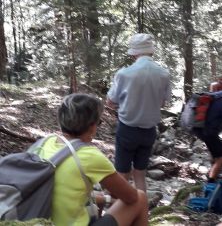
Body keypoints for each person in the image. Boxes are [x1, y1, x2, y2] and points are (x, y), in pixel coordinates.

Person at [38, 94, 148, 226]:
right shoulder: (89, 155)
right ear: (91, 126)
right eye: (99, 122)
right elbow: (131, 197)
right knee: (140, 197)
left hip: (38, 221)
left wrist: (107, 200)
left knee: (95, 191)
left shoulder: (45, 143)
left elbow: (64, 196)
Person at [107, 33, 171, 192]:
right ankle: (142, 213)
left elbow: (111, 101)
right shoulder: (164, 74)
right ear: (151, 51)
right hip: (149, 131)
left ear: (134, 53)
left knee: (122, 174)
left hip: (127, 128)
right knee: (140, 174)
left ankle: (117, 214)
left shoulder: (124, 73)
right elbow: (164, 102)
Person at [193, 84, 222, 183]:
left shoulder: (215, 94)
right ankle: (211, 181)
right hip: (208, 131)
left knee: (217, 148)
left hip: (198, 128)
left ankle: (212, 171)